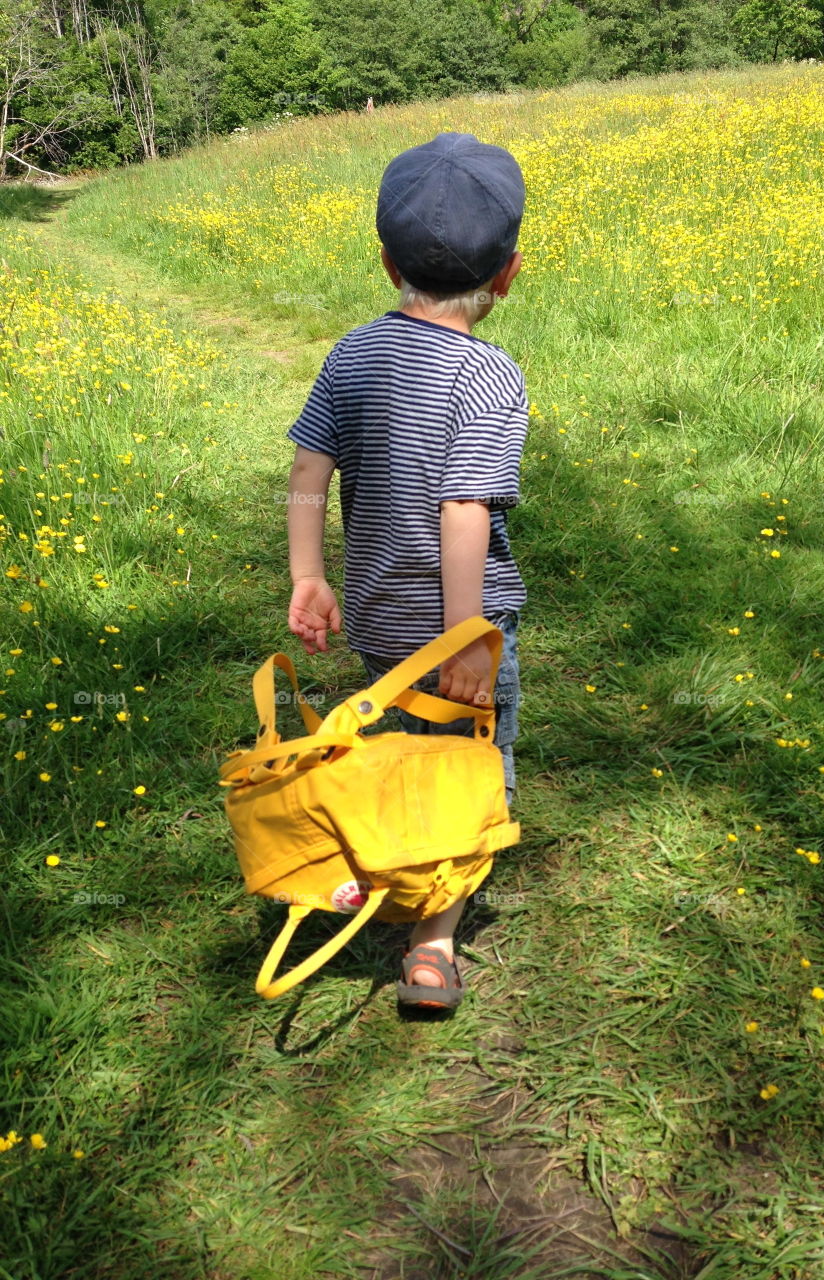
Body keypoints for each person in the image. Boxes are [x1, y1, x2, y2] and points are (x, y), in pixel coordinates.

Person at [285, 132, 527, 1010]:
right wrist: (465, 639)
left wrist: (309, 575)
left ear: (387, 263)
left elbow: (308, 470)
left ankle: (379, 864)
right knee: (467, 769)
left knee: (399, 749)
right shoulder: (490, 375)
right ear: (508, 274)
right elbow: (464, 508)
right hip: (459, 632)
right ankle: (431, 945)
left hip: (381, 617)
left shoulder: (351, 354)